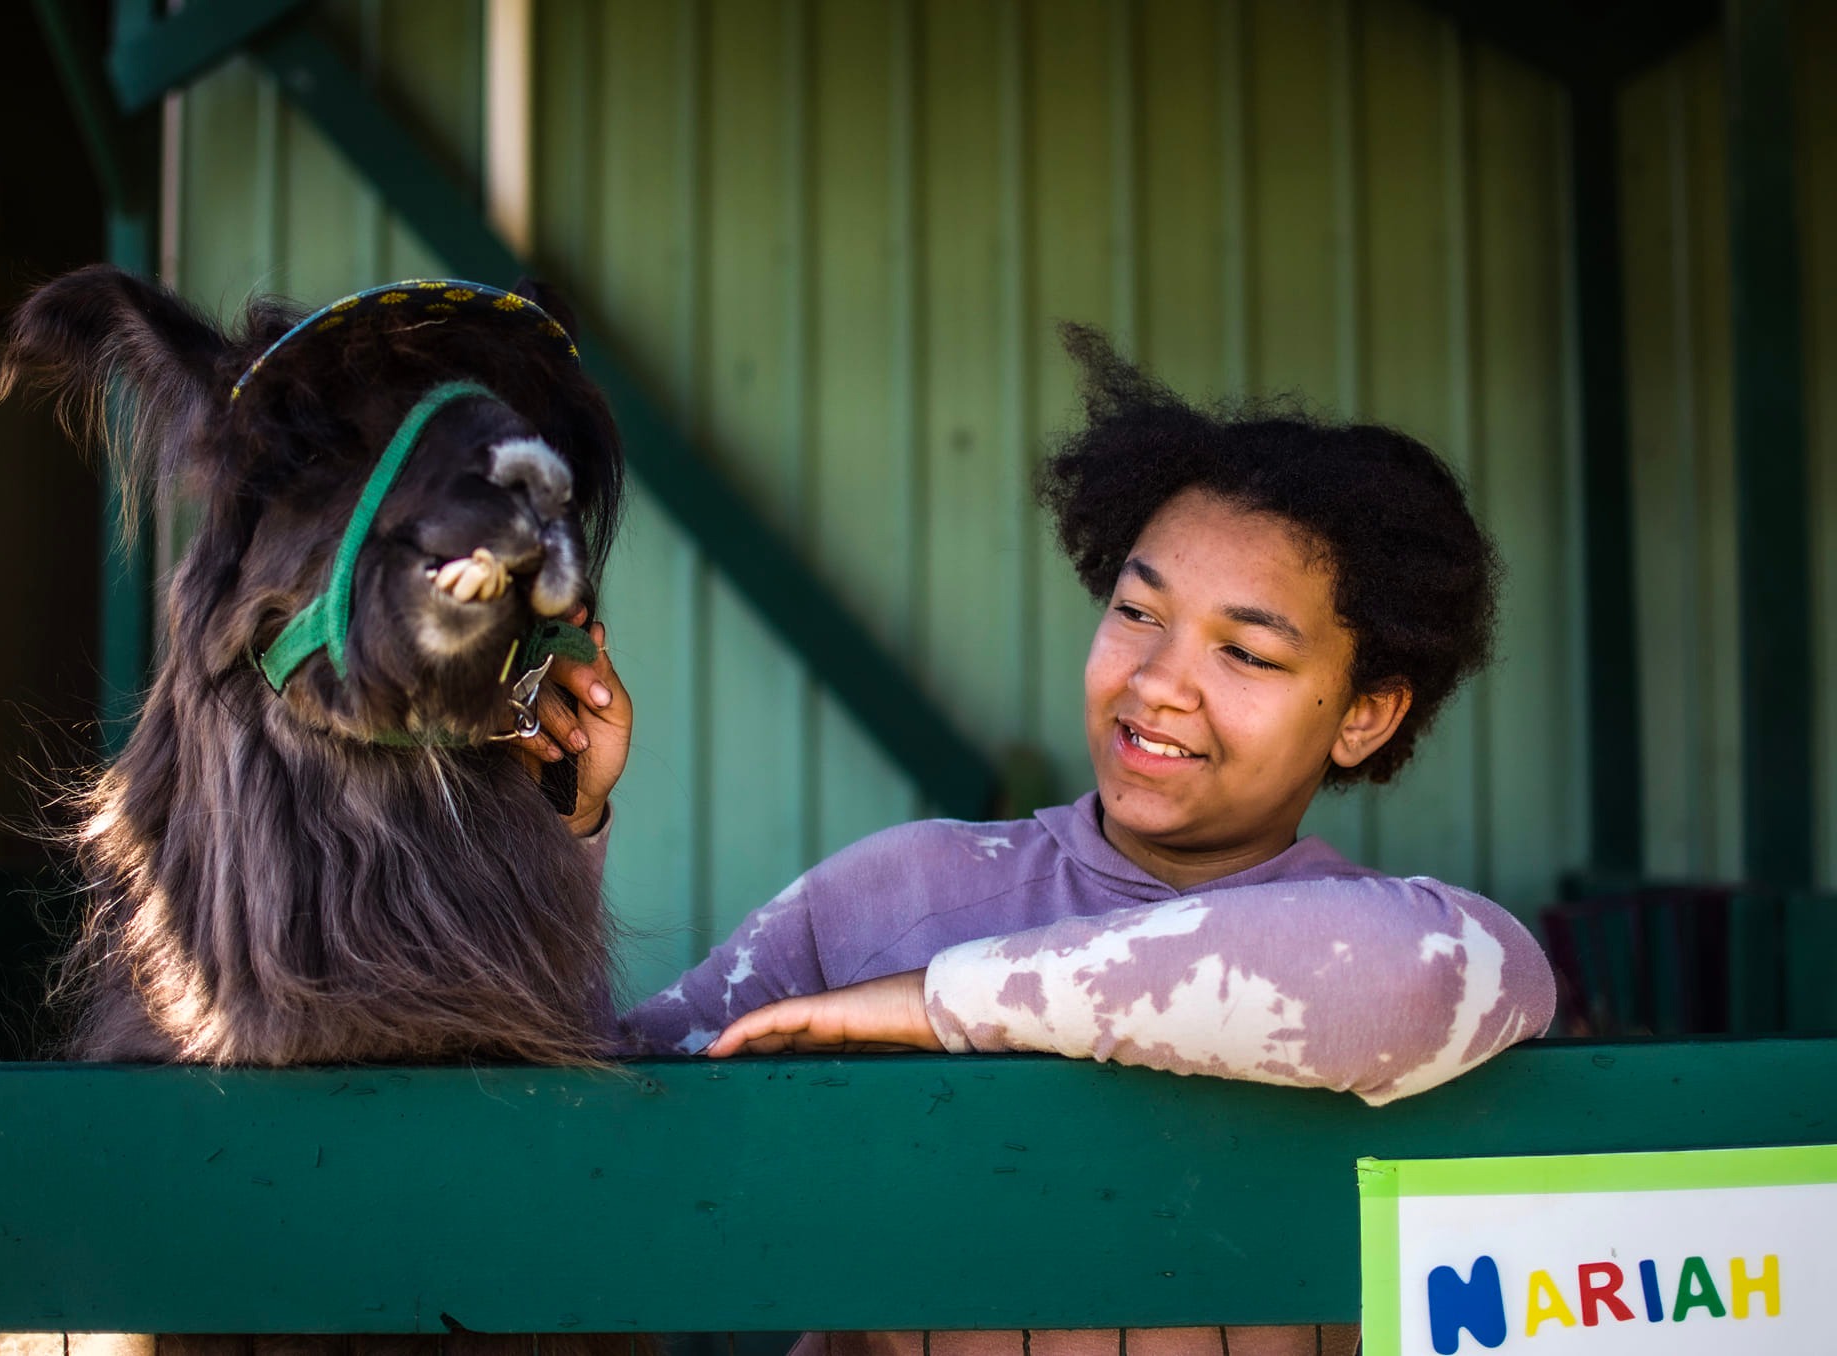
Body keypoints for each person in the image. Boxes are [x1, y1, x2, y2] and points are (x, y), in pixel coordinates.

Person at [529, 325, 1557, 1356]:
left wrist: (940, 1006)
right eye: (1137, 611)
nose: (1157, 682)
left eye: (1245, 652)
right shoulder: (900, 890)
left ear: (1364, 715)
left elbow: (1432, 980)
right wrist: (553, 830)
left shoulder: (1384, 944)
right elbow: (584, 1119)